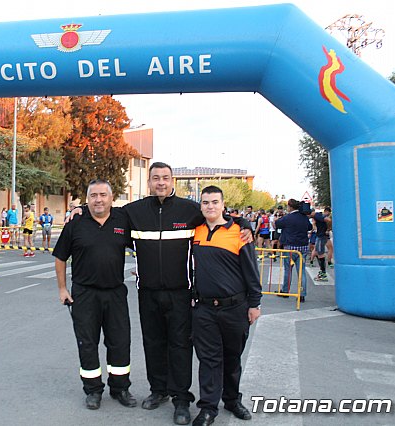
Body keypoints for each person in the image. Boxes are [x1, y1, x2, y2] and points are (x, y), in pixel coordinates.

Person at [68, 162, 252, 425]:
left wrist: (244, 222)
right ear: (150, 183)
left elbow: (218, 217)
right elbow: (103, 208)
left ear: (172, 180)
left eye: (165, 178)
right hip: (148, 293)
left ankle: (181, 399)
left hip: (181, 293)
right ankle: (158, 391)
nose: (161, 182)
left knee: (180, 346)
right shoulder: (134, 211)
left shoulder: (190, 210)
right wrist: (79, 209)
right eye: (156, 178)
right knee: (153, 344)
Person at [53, 179, 137, 411]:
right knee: (87, 343)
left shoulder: (123, 220)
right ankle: (92, 390)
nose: (98, 199)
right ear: (87, 199)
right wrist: (62, 289)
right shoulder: (76, 222)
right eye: (93, 195)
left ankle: (120, 388)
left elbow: (145, 242)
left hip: (115, 293)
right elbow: (60, 257)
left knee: (120, 342)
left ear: (111, 198)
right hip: (84, 294)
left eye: (103, 195)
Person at [191, 186, 262, 426]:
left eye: (214, 202)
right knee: (209, 360)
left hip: (235, 308)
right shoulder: (195, 231)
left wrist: (255, 303)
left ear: (223, 205)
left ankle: (232, 400)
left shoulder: (239, 233)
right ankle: (208, 408)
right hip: (204, 309)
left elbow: (251, 270)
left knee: (232, 358)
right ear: (200, 206)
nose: (210, 206)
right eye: (205, 202)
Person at [275, 199, 312, 302]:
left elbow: (277, 224)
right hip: (303, 248)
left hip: (290, 248)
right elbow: (310, 227)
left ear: (290, 207)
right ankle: (302, 294)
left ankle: (285, 291)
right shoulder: (304, 217)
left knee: (288, 270)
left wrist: (279, 216)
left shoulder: (287, 218)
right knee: (301, 271)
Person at [309, 207, 332, 282]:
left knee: (320, 254)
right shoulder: (318, 216)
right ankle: (322, 272)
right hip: (320, 236)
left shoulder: (317, 216)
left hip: (321, 236)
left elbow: (329, 220)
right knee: (318, 252)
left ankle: (323, 273)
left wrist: (328, 229)